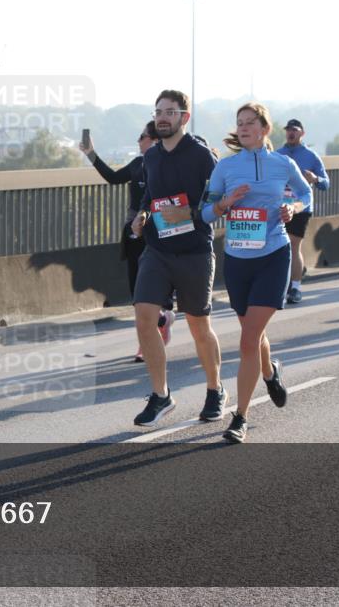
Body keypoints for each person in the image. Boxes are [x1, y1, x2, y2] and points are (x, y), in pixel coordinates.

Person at [200, 103, 312, 444]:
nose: (244, 127)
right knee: (253, 333)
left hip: (274, 255)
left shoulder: (283, 163)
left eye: (251, 123)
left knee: (248, 339)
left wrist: (293, 207)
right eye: (240, 123)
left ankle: (240, 418)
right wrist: (224, 204)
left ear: (265, 128)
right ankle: (269, 370)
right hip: (237, 258)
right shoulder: (226, 167)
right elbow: (204, 213)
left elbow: (306, 193)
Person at [130, 89, 226, 426]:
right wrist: (142, 215)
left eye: (170, 111)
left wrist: (197, 213)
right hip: (157, 249)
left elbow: (219, 193)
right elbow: (149, 195)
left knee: (199, 326)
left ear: (184, 117)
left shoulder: (201, 155)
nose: (162, 117)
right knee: (144, 316)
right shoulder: (152, 156)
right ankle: (161, 395)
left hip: (194, 251)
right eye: (158, 111)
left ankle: (215, 389)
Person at [80, 121, 174, 360]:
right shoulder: (137, 164)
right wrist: (91, 154)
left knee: (156, 288)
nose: (137, 141)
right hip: (135, 232)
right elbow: (113, 178)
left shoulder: (170, 165)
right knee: (138, 293)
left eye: (141, 137)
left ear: (153, 140)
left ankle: (160, 320)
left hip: (161, 232)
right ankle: (156, 327)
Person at [275, 118, 329, 304]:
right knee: (278, 246)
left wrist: (316, 179)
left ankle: (295, 287)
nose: (291, 133)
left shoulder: (311, 155)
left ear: (302, 133)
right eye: (288, 130)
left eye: (295, 130)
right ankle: (281, 285)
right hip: (280, 206)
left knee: (293, 244)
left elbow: (326, 183)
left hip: (301, 207)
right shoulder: (278, 154)